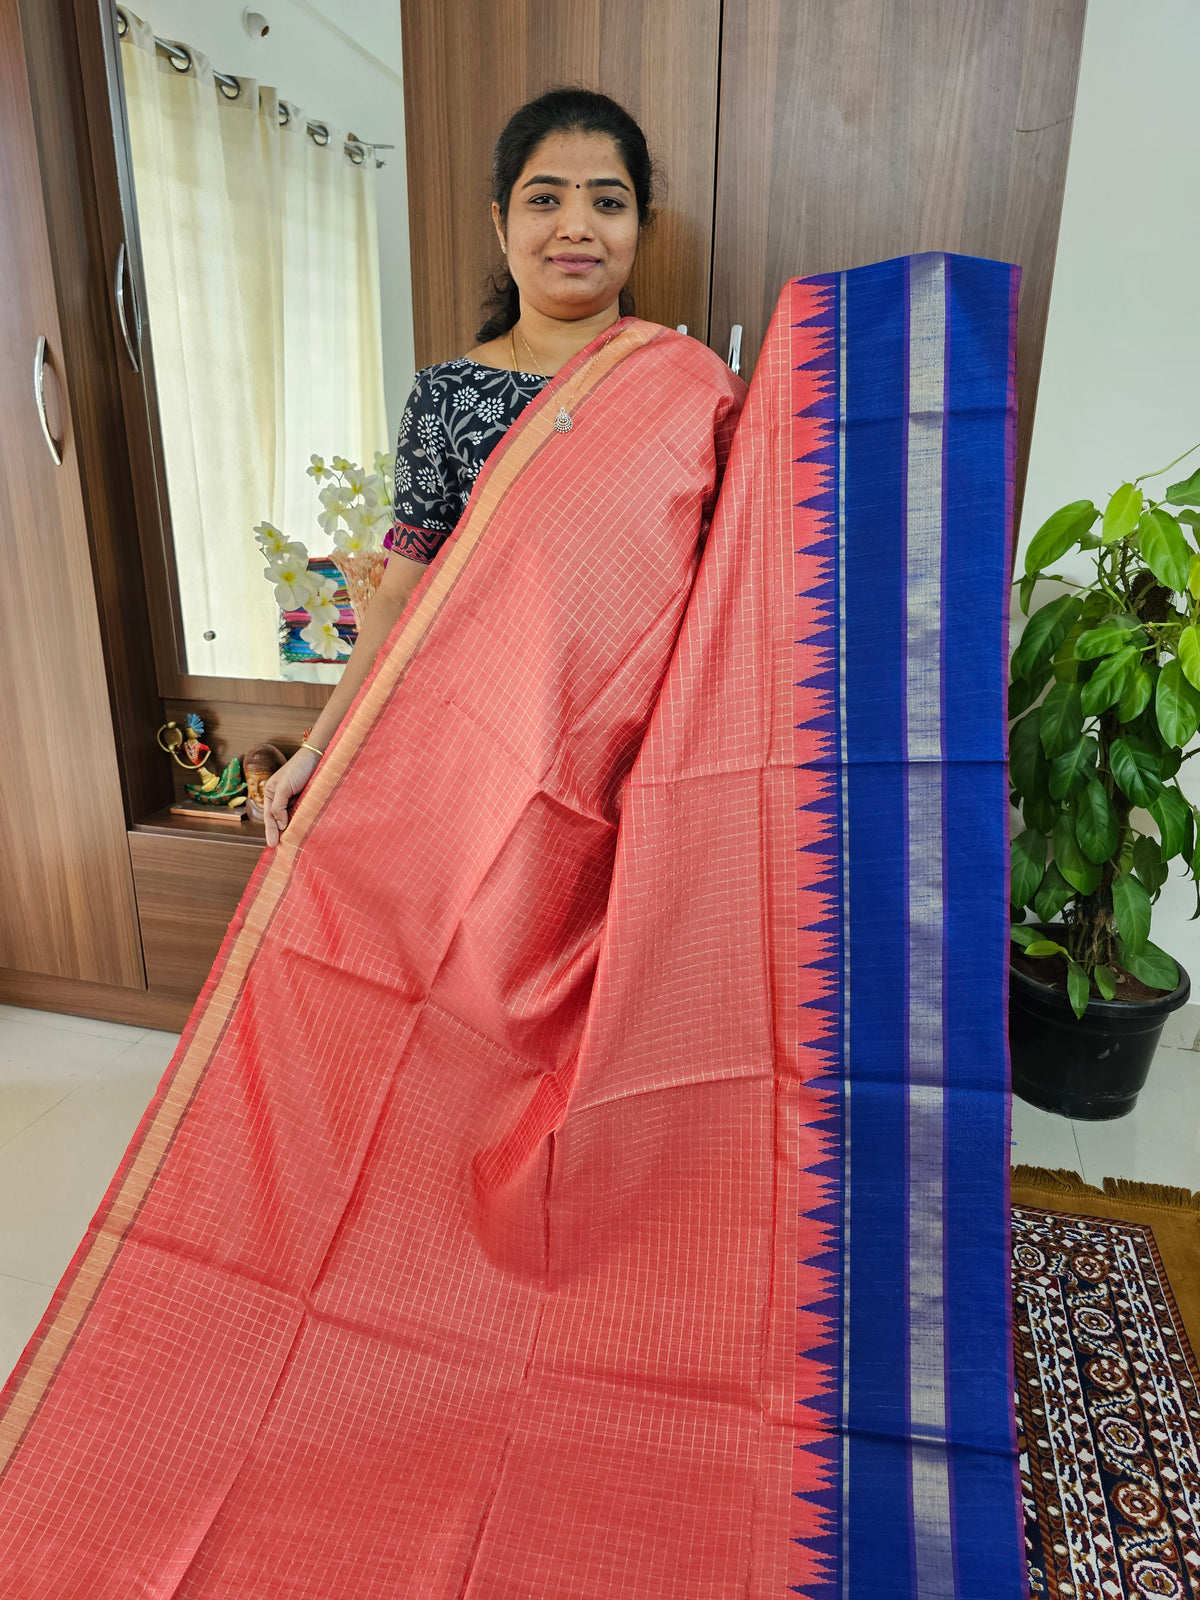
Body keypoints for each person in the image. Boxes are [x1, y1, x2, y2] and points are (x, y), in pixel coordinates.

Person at [263, 88, 711, 846]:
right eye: (545, 199)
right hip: (492, 754)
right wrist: (316, 749)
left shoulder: (695, 391)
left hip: (659, 758)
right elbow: (400, 595)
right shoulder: (446, 397)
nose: (576, 226)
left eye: (608, 202)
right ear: (502, 221)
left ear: (640, 227)